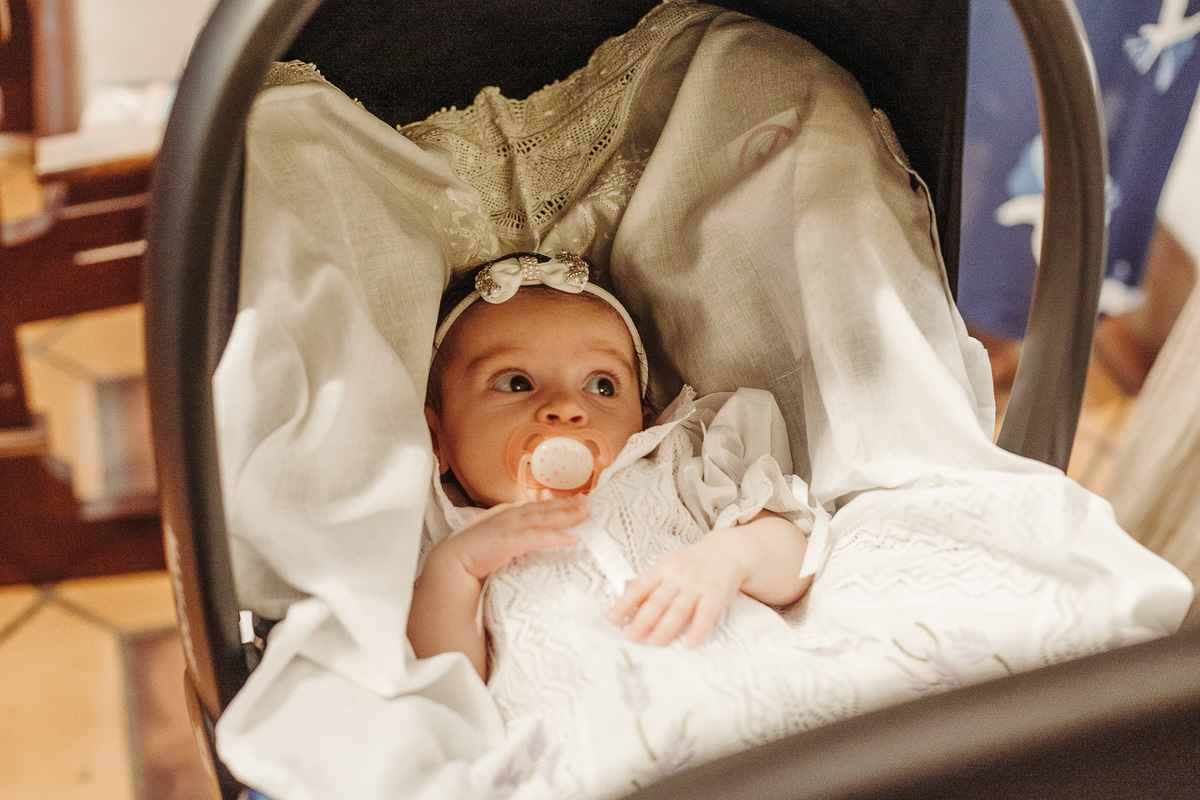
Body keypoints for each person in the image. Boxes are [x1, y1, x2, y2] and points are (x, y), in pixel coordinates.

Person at [407, 251, 816, 681]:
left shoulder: (676, 471)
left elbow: (795, 563)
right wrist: (455, 569)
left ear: (644, 420)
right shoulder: (450, 540)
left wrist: (731, 555)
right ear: (436, 438)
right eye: (516, 382)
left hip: (737, 689)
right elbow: (447, 688)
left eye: (601, 385)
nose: (566, 407)